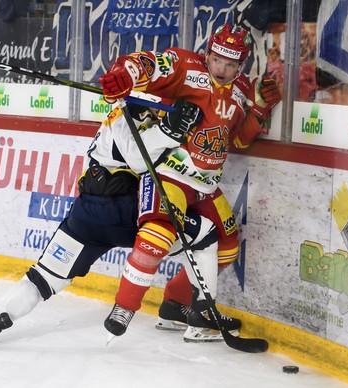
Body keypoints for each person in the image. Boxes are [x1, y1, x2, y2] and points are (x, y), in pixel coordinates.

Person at [0, 98, 228, 348]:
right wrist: (170, 130)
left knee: (41, 279)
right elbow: (136, 157)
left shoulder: (131, 113)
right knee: (203, 234)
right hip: (125, 212)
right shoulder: (123, 116)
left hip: (85, 215)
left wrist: (170, 125)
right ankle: (202, 315)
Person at [99, 23, 281, 340]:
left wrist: (261, 109)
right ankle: (125, 307)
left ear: (242, 64)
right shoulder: (186, 67)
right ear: (207, 52)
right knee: (158, 233)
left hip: (206, 185)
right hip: (169, 173)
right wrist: (125, 74)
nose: (221, 68)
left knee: (227, 249)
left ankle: (176, 305)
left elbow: (237, 141)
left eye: (230, 63)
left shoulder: (241, 90)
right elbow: (149, 64)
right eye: (216, 58)